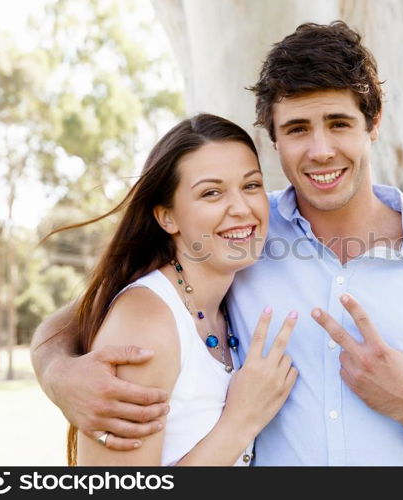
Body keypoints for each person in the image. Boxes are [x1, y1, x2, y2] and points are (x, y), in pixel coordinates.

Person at [32, 21, 403, 465]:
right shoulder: (237, 233)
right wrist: (57, 372)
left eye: (338, 123)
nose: (320, 150)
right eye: (297, 129)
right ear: (274, 139)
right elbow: (109, 303)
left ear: (373, 125)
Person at [37, 114, 298, 465]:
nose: (241, 208)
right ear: (167, 217)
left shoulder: (226, 294)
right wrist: (241, 422)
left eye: (251, 186)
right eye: (211, 193)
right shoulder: (147, 326)